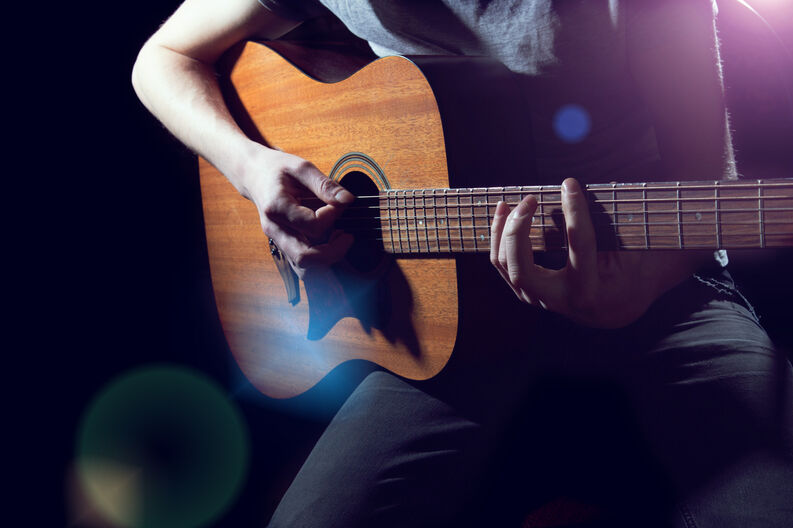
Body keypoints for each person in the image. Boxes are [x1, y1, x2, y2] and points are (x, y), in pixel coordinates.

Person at [132, 1, 793, 526]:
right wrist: (252, 169)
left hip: (658, 282)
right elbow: (162, 59)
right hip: (450, 323)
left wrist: (642, 285)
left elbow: (702, 181)